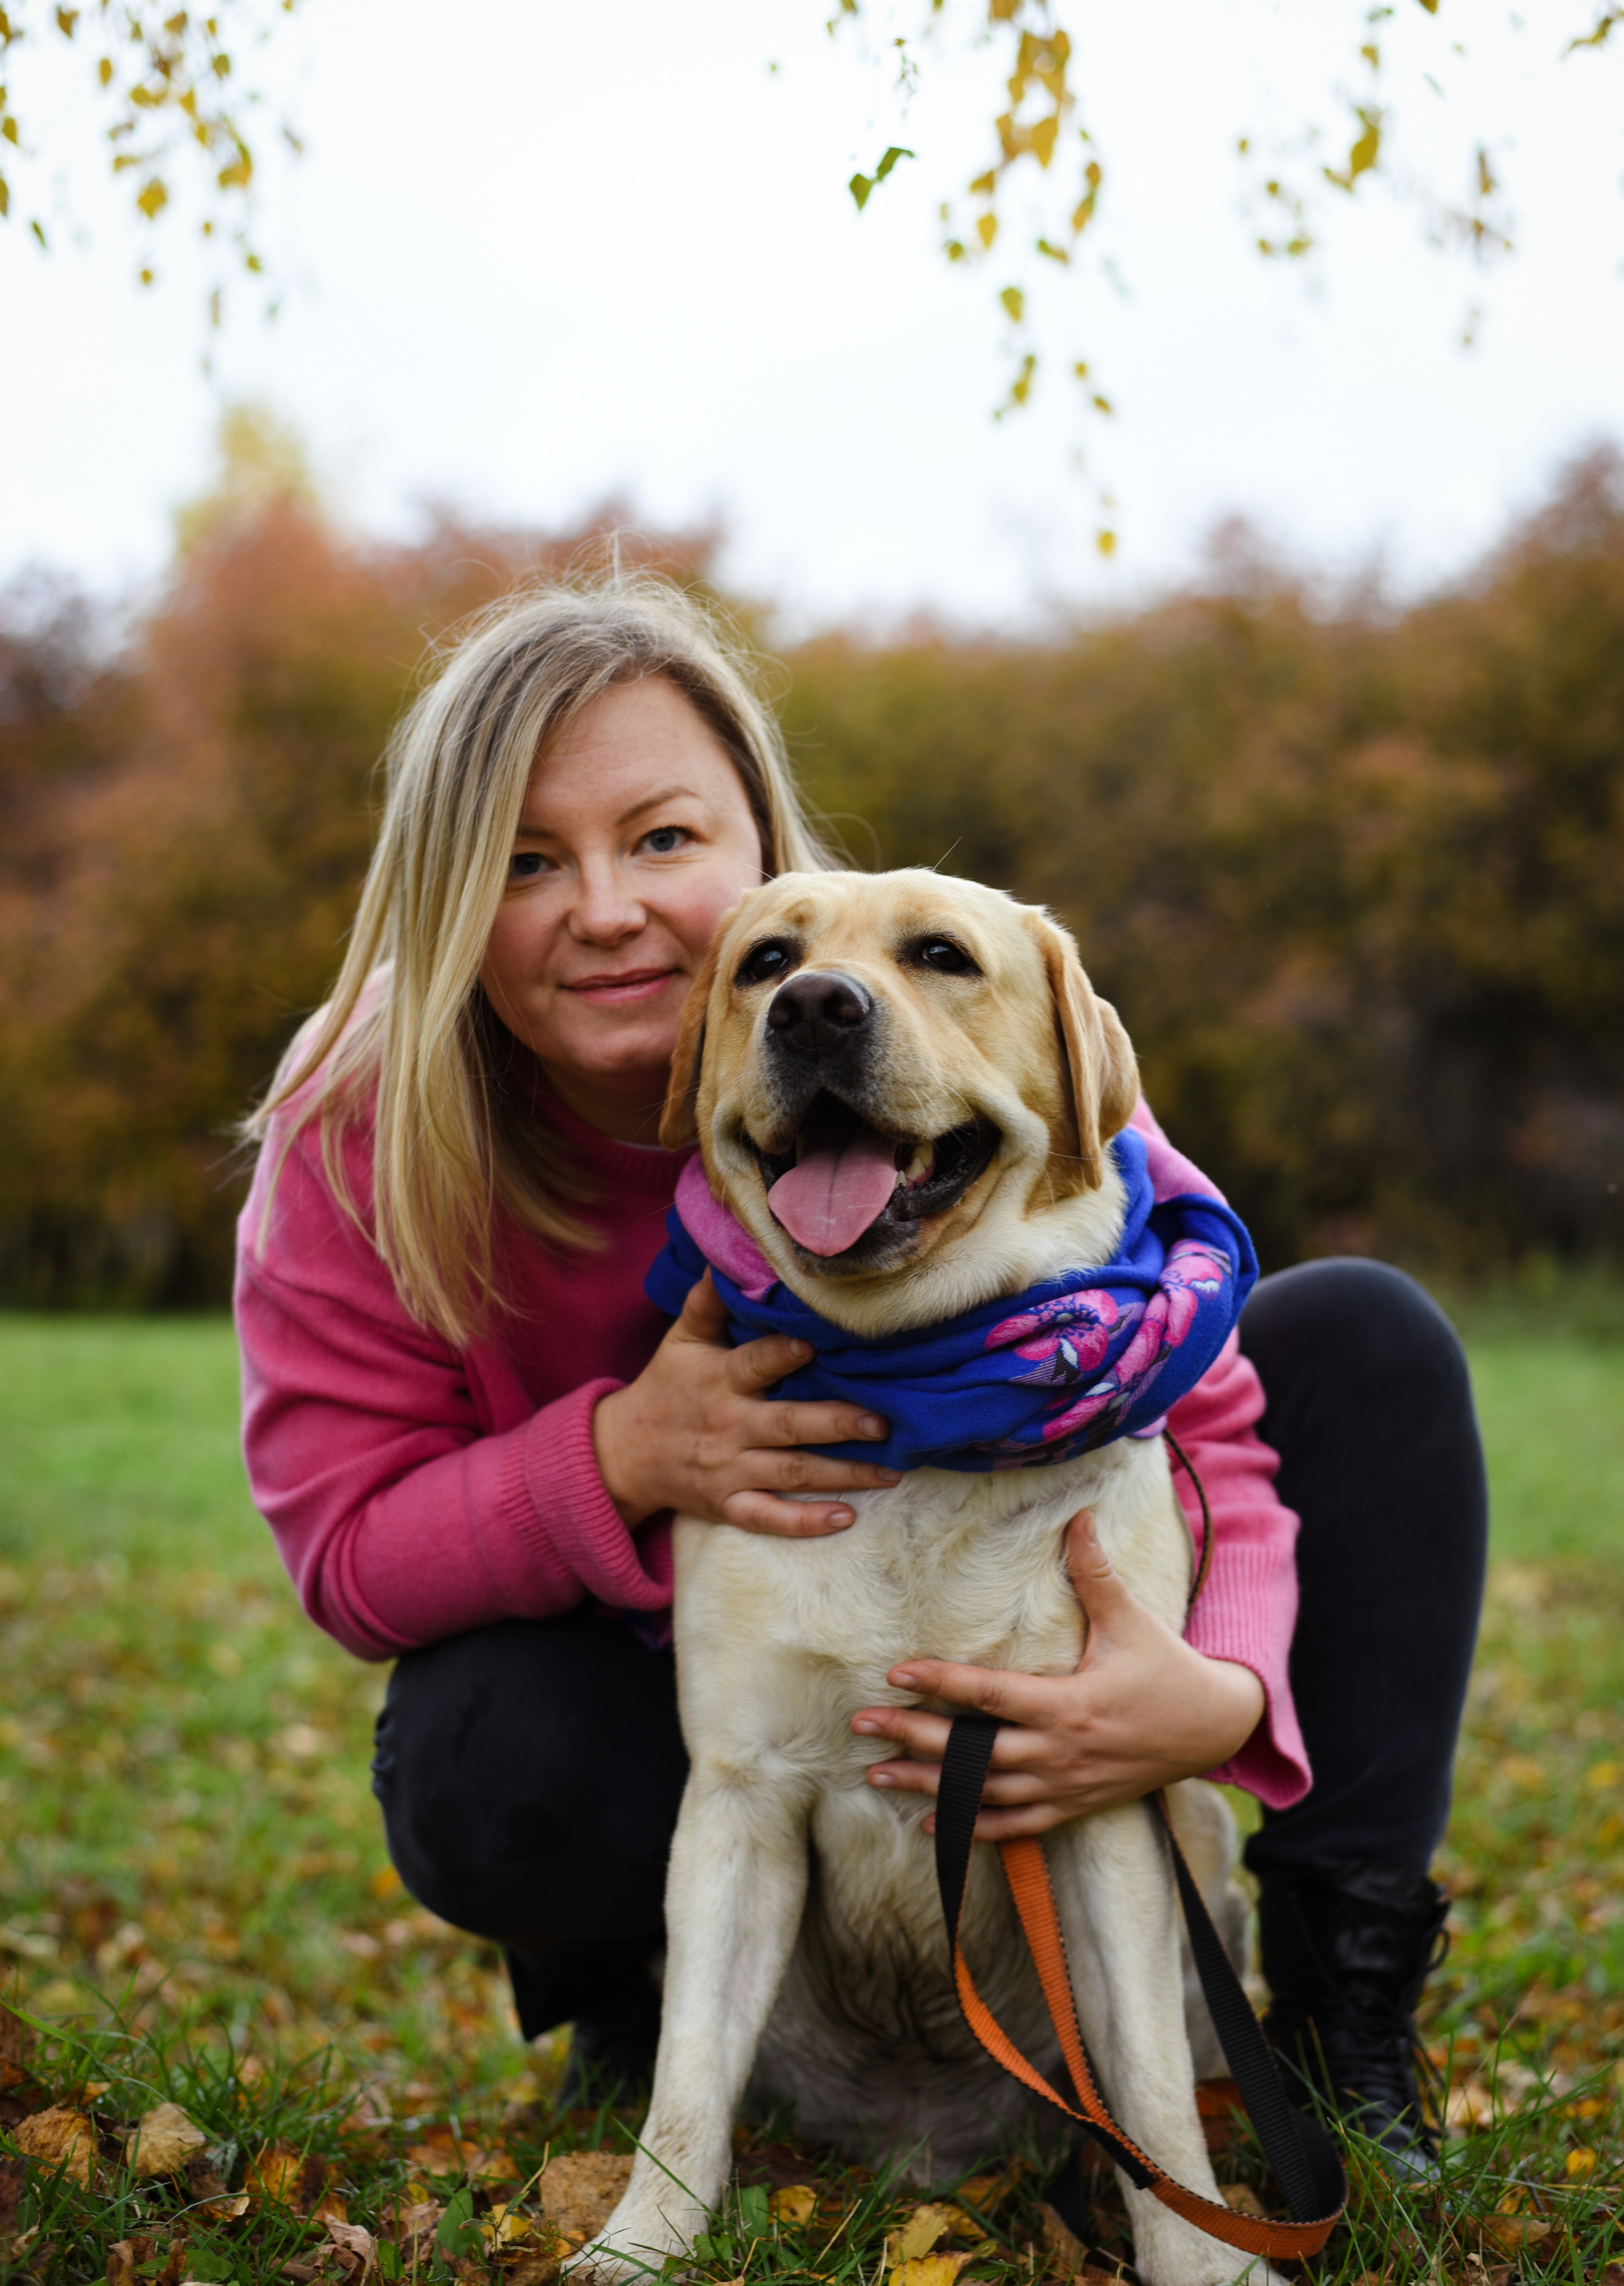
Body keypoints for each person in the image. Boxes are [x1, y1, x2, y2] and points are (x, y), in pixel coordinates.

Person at [235, 574, 1486, 2171]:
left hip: (1022, 1575)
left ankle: (1338, 2006)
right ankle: (638, 2006)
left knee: (1364, 1335)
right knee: (492, 1747)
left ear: (761, 836)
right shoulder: (358, 1123)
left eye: (663, 839)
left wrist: (1214, 1691)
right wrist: (616, 1455)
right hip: (661, 1667)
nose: (607, 907)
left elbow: (1211, 1410)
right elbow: (347, 1553)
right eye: (524, 863)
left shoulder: (944, 991)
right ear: (441, 897)